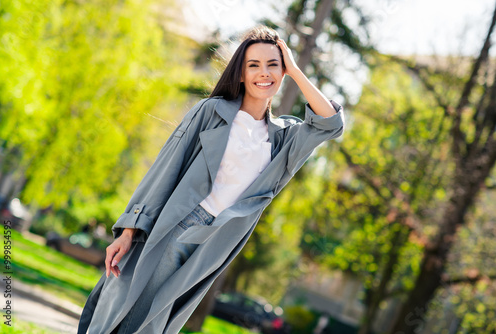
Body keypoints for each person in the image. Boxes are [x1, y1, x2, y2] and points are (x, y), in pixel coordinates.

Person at [78, 25, 345, 334]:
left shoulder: (285, 138)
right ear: (241, 73)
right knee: (132, 312)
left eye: (273, 65)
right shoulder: (212, 111)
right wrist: (129, 228)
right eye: (254, 65)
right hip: (178, 224)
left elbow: (330, 125)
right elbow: (166, 167)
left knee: (160, 321)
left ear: (283, 73)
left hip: (215, 244)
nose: (264, 73)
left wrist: (296, 70)